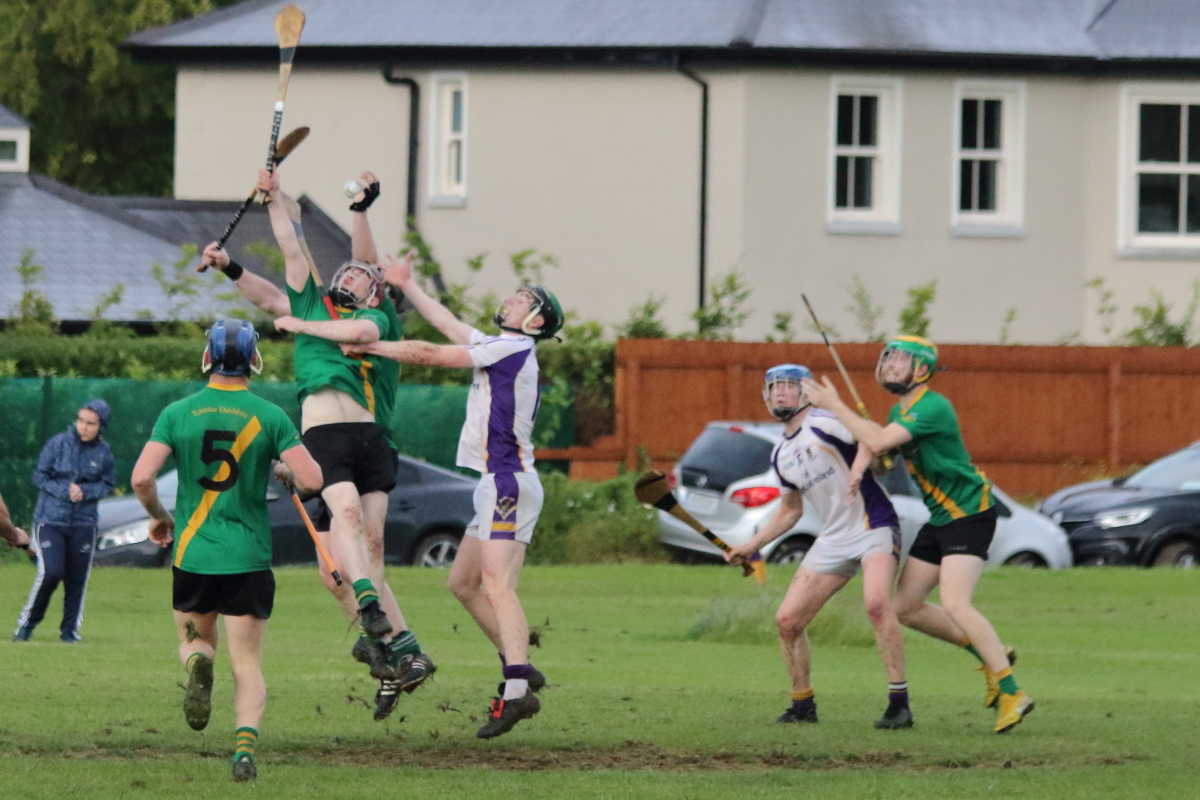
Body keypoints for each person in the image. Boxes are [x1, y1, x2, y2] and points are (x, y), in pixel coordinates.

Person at [199, 168, 432, 700]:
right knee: (342, 553)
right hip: (326, 436)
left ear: (377, 293)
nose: (351, 275)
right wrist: (271, 205)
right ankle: (381, 632)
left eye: (362, 276)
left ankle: (400, 651)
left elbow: (350, 330)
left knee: (365, 550)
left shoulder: (377, 321)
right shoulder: (309, 302)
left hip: (370, 437)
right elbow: (288, 253)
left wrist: (302, 325)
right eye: (346, 273)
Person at [343, 252, 562, 738]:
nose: (510, 300)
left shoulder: (514, 348)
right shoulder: (502, 343)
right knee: (462, 583)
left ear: (537, 319)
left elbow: (431, 354)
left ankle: (517, 690)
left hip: (509, 481)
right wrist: (409, 285)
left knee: (498, 585)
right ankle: (519, 663)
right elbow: (446, 324)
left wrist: (372, 347)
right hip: (496, 482)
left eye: (521, 299)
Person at [802, 336, 1033, 734]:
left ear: (922, 369)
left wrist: (835, 405)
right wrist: (866, 466)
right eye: (888, 359)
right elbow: (882, 453)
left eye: (900, 361)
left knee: (957, 605)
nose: (890, 366)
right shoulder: (900, 409)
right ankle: (991, 652)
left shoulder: (933, 406)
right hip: (941, 516)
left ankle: (1013, 692)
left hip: (970, 512)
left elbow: (875, 438)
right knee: (905, 607)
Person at [131, 320, 322, 782]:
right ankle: (243, 753)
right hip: (249, 557)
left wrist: (159, 515)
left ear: (207, 358)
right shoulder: (270, 415)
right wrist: (284, 470)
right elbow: (314, 480)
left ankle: (197, 662)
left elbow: (141, 478)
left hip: (193, 554)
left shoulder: (178, 412)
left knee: (195, 641)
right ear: (253, 360)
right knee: (247, 663)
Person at [725, 365, 912, 729]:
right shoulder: (780, 453)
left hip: (873, 523)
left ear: (805, 392)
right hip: (832, 537)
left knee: (876, 605)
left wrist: (865, 463)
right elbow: (791, 510)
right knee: (787, 621)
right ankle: (802, 704)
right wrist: (750, 545)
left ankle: (899, 704)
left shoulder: (825, 423)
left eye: (788, 387)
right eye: (773, 387)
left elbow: (870, 437)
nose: (779, 393)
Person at [13, 399, 115, 643]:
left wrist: (85, 492)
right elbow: (39, 476)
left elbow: (107, 483)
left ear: (101, 426)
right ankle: (26, 625)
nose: (84, 427)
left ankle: (69, 631)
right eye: (81, 420)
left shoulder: (104, 452)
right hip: (50, 520)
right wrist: (64, 490)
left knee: (77, 577)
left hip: (84, 523)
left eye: (91, 423)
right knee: (51, 572)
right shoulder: (57, 444)